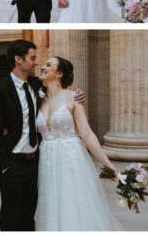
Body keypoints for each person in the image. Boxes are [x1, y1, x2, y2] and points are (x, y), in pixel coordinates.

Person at [0, 40, 86, 231]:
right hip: (12, 164)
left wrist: (78, 94)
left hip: (35, 165)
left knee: (29, 217)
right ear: (18, 60)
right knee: (11, 217)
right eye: (32, 58)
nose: (36, 63)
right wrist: (3, 164)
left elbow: (59, 92)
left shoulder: (35, 84)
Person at [34, 56, 123, 230]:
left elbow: (87, 134)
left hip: (70, 160)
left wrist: (107, 164)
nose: (43, 67)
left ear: (59, 73)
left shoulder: (74, 98)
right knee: (50, 201)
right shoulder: (37, 99)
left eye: (48, 65)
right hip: (46, 161)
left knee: (74, 203)